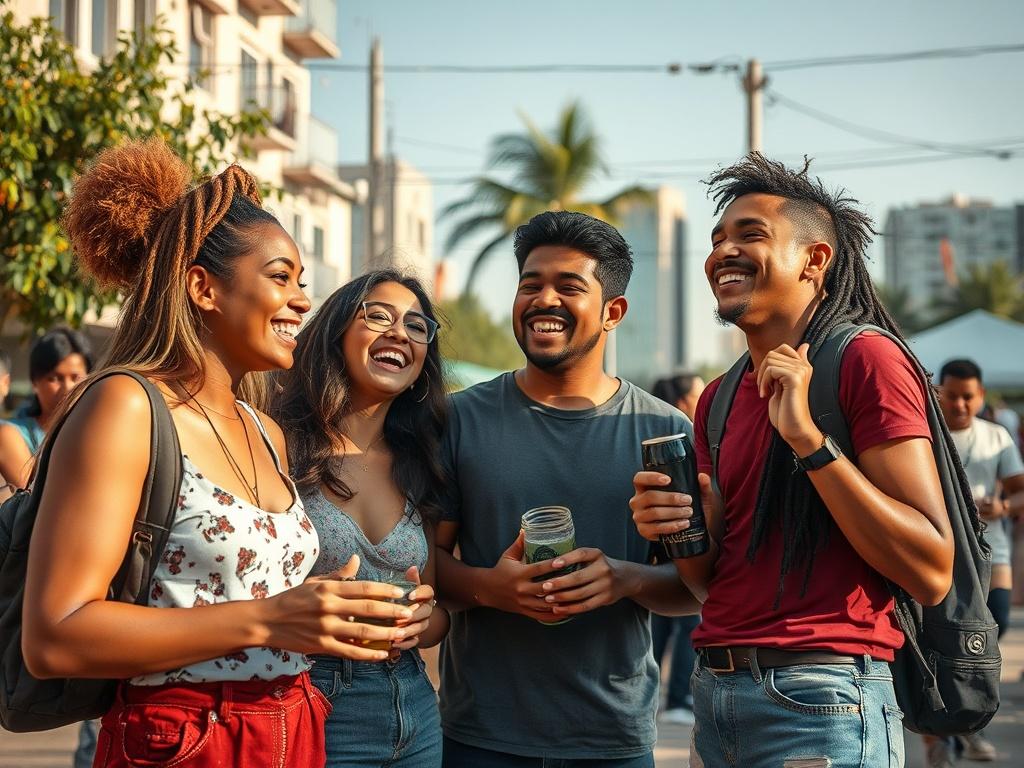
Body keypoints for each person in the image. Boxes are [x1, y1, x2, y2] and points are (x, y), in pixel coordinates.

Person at [21, 139, 416, 768]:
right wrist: (270, 620)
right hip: (184, 739)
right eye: (280, 277)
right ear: (204, 288)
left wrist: (340, 610)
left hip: (294, 729)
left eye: (302, 282)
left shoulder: (268, 432)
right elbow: (55, 635)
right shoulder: (126, 407)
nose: (302, 302)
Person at [630, 154, 955, 767]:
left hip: (823, 702)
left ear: (814, 260)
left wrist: (808, 440)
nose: (723, 251)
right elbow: (707, 584)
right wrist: (679, 527)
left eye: (750, 234)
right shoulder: (720, 399)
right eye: (717, 238)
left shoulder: (865, 361)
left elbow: (931, 568)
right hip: (718, 695)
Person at [435, 210, 699, 767]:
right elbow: (425, 563)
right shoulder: (459, 419)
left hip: (612, 738)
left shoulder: (665, 432)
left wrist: (625, 578)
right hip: (479, 736)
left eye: (569, 286)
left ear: (613, 312)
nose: (543, 299)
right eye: (530, 285)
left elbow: (696, 587)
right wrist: (491, 588)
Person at [273, 269, 449, 767]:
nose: (400, 333)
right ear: (337, 334)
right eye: (378, 316)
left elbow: (435, 613)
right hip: (310, 696)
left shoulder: (423, 460)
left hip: (412, 703)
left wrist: (422, 621)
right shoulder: (278, 445)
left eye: (417, 326)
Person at [928, 358, 1024, 765]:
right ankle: (941, 734)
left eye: (968, 397)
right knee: (941, 639)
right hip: (940, 551)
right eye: (952, 396)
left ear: (981, 397)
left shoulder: (996, 437)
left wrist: (1002, 506)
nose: (961, 405)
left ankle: (967, 721)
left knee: (991, 624)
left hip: (991, 552)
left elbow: (1020, 492)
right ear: (939, 394)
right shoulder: (924, 435)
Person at [648, 373, 705, 726]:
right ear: (684, 402)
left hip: (664, 560)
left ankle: (658, 696)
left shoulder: (656, 429)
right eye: (697, 393)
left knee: (662, 627)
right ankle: (677, 698)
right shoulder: (678, 438)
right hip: (681, 555)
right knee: (686, 626)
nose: (702, 398)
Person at [0, 326, 92, 490]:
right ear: (35, 382)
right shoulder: (11, 435)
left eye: (76, 377)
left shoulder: (96, 430)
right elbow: (33, 498)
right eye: (54, 378)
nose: (67, 388)